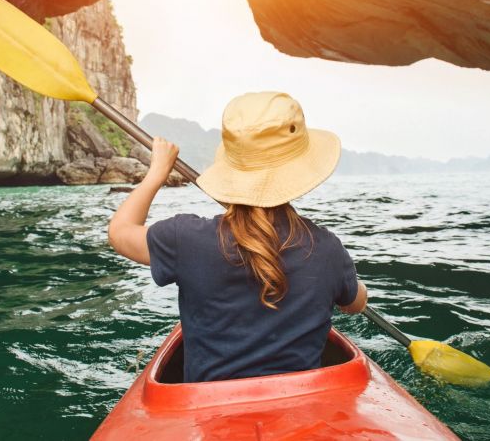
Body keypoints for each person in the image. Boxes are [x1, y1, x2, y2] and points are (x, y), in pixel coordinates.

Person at [108, 91, 368, 383]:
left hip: (207, 411)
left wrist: (156, 173)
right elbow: (355, 304)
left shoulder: (185, 239)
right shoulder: (328, 249)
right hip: (298, 404)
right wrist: (345, 280)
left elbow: (120, 232)